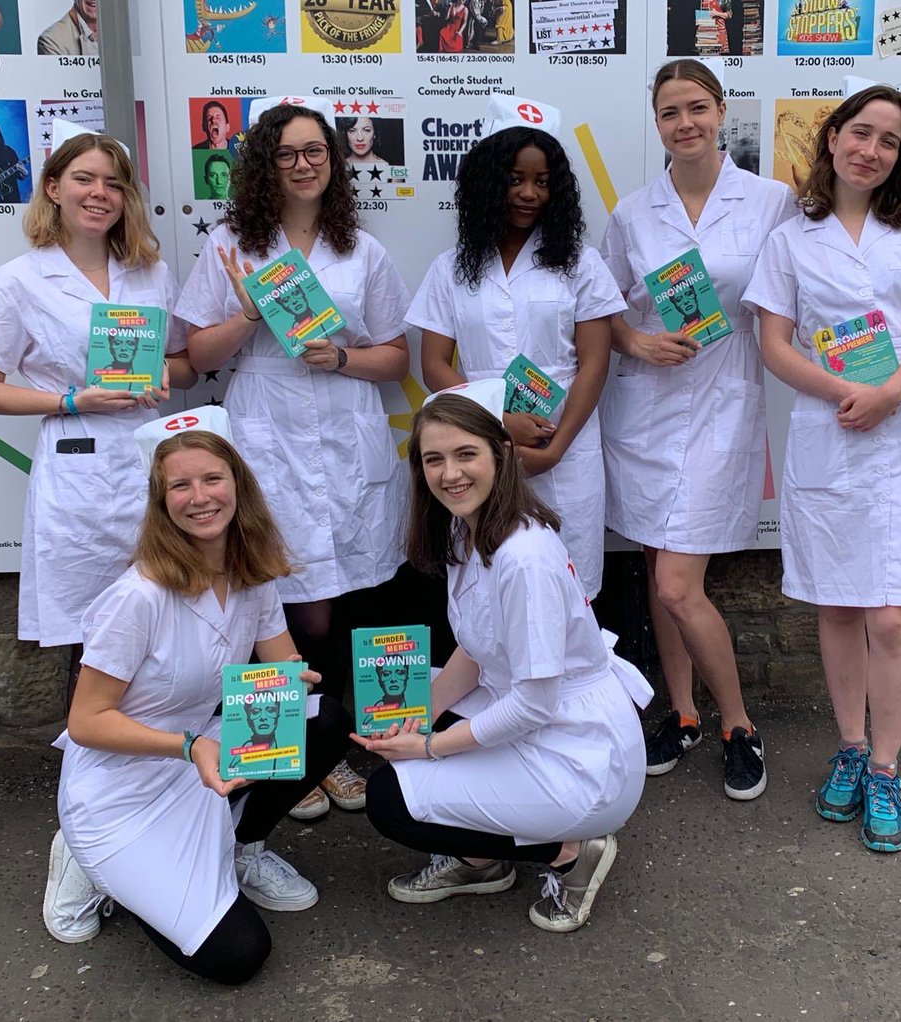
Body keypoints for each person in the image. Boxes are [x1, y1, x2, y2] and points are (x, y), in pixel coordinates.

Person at [742, 83, 901, 853]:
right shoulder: (790, 238)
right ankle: (848, 747)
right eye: (859, 133)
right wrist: (852, 392)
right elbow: (776, 345)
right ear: (833, 136)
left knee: (892, 611)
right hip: (831, 429)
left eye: (888, 141)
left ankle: (884, 765)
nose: (869, 151)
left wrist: (893, 391)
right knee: (838, 605)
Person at [44, 429, 352, 983]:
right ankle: (88, 862)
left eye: (212, 478)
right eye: (179, 486)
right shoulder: (137, 597)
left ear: (239, 485)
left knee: (324, 719)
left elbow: (285, 667)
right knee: (237, 956)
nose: (200, 496)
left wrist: (293, 681)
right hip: (124, 787)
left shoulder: (250, 576)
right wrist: (189, 746)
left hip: (202, 755)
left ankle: (241, 846)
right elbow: (86, 721)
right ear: (161, 503)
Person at [177, 96, 412, 821]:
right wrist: (248, 315)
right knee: (288, 605)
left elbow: (398, 355)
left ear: (334, 163)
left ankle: (340, 752)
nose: (303, 165)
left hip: (345, 423)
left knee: (349, 597)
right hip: (266, 424)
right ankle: (294, 752)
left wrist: (340, 355)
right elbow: (191, 356)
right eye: (287, 153)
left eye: (316, 152)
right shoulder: (230, 244)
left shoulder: (361, 250)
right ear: (264, 166)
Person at [354, 381, 651, 933]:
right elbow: (475, 646)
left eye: (466, 454)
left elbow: (533, 706)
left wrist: (426, 746)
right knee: (405, 722)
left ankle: (567, 853)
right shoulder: (470, 532)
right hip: (542, 722)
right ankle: (481, 860)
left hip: (576, 754)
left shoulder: (523, 559)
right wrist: (412, 714)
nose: (450, 474)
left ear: (502, 454)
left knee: (390, 799)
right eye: (434, 459)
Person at [600, 59, 795, 796]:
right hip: (645, 408)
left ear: (721, 112)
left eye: (696, 108)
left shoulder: (770, 201)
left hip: (724, 405)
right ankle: (680, 713)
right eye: (669, 112)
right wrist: (637, 341)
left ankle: (738, 723)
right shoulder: (633, 211)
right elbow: (603, 308)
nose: (684, 124)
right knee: (659, 568)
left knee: (681, 583)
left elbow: (802, 295)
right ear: (656, 122)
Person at [0, 124, 196, 662]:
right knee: (91, 635)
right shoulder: (16, 281)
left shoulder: (151, 274)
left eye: (113, 184)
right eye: (84, 179)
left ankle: (161, 745)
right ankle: (90, 744)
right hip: (75, 471)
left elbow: (184, 366)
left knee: (165, 620)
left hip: (152, 463)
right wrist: (70, 401)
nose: (99, 194)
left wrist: (164, 369)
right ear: (52, 187)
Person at [410, 96, 624, 600]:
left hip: (564, 444)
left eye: (543, 181)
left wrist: (557, 448)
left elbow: (595, 363)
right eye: (514, 179)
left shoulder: (580, 262)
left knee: (570, 586)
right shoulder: (450, 268)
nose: (529, 193)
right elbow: (434, 365)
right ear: (489, 181)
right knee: (488, 583)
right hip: (477, 444)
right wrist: (497, 421)